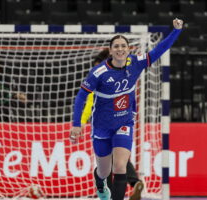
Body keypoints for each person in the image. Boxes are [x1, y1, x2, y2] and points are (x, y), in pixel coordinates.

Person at [70, 18, 183, 200]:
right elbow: (81, 96)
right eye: (116, 46)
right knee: (104, 171)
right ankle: (100, 183)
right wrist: (77, 124)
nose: (120, 49)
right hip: (101, 125)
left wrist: (176, 30)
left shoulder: (136, 62)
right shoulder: (98, 73)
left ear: (128, 49)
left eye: (123, 46)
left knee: (120, 167)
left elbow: (159, 50)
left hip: (124, 122)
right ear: (111, 50)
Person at [81, 49, 144, 200]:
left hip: (104, 125)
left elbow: (90, 103)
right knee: (120, 161)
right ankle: (134, 182)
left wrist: (82, 121)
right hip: (122, 122)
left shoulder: (100, 80)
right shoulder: (121, 75)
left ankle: (108, 194)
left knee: (108, 162)